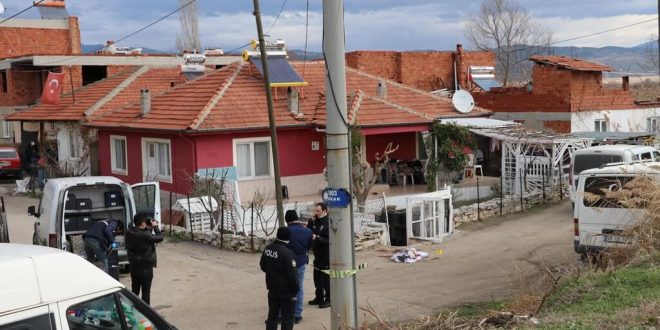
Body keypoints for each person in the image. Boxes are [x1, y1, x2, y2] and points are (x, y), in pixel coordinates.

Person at [261, 227, 298, 330]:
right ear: (288, 237)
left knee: (272, 315)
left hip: (272, 288)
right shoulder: (288, 253)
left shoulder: (268, 249)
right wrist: (295, 289)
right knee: (287, 317)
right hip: (286, 291)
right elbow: (292, 275)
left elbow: (263, 266)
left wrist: (273, 274)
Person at [126, 214, 163, 305]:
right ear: (143, 223)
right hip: (145, 268)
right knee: (146, 293)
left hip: (134, 267)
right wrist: (155, 227)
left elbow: (143, 234)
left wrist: (148, 227)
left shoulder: (129, 232)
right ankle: (146, 313)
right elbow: (160, 237)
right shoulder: (145, 235)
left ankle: (133, 308)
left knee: (135, 291)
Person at [284, 210, 313, 324]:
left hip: (286, 263)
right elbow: (309, 246)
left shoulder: (285, 231)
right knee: (299, 288)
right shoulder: (308, 231)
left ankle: (284, 313)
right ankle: (297, 314)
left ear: (287, 220)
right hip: (300, 262)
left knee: (285, 288)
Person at [307, 202, 330, 308]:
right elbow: (309, 232)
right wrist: (310, 222)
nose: (315, 213)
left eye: (318, 211)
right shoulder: (316, 221)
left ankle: (329, 299)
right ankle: (319, 297)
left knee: (326, 279)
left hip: (326, 255)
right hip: (317, 255)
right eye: (315, 211)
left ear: (324, 211)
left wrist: (317, 238)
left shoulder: (327, 223)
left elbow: (329, 241)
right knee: (317, 278)